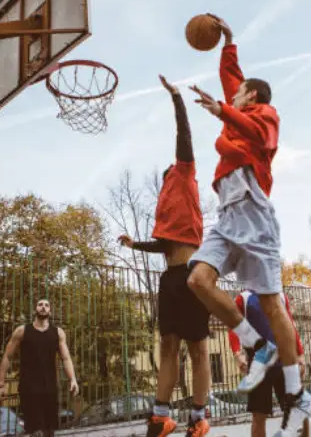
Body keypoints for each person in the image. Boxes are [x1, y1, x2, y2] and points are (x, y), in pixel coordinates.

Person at [187, 14, 311, 437]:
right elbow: (231, 76)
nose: (231, 93)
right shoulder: (236, 106)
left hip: (254, 211)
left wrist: (221, 109)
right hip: (226, 216)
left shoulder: (266, 114)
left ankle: (298, 396)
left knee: (273, 303)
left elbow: (258, 133)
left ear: (252, 96)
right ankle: (258, 346)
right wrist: (229, 40)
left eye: (238, 93)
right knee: (198, 280)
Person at [117, 75, 211, 437]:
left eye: (170, 169)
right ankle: (161, 416)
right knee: (168, 346)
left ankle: (199, 416)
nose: (168, 172)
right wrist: (134, 245)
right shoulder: (167, 201)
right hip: (169, 277)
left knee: (199, 350)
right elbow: (165, 245)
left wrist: (176, 98)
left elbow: (182, 137)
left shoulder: (186, 173)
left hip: (191, 274)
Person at [228, 290, 309, 437]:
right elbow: (233, 325)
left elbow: (290, 324)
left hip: (284, 357)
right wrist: (237, 353)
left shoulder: (281, 296)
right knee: (259, 415)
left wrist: (300, 353)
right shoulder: (244, 297)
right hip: (258, 360)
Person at [0, 299, 78, 437]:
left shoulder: (58, 333)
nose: (43, 307)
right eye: (40, 305)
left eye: (46, 305)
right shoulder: (22, 331)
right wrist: (1, 384)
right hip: (29, 387)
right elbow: (7, 357)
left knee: (49, 430)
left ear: (50, 311)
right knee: (35, 431)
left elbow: (66, 358)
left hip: (50, 387)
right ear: (35, 310)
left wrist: (73, 379)